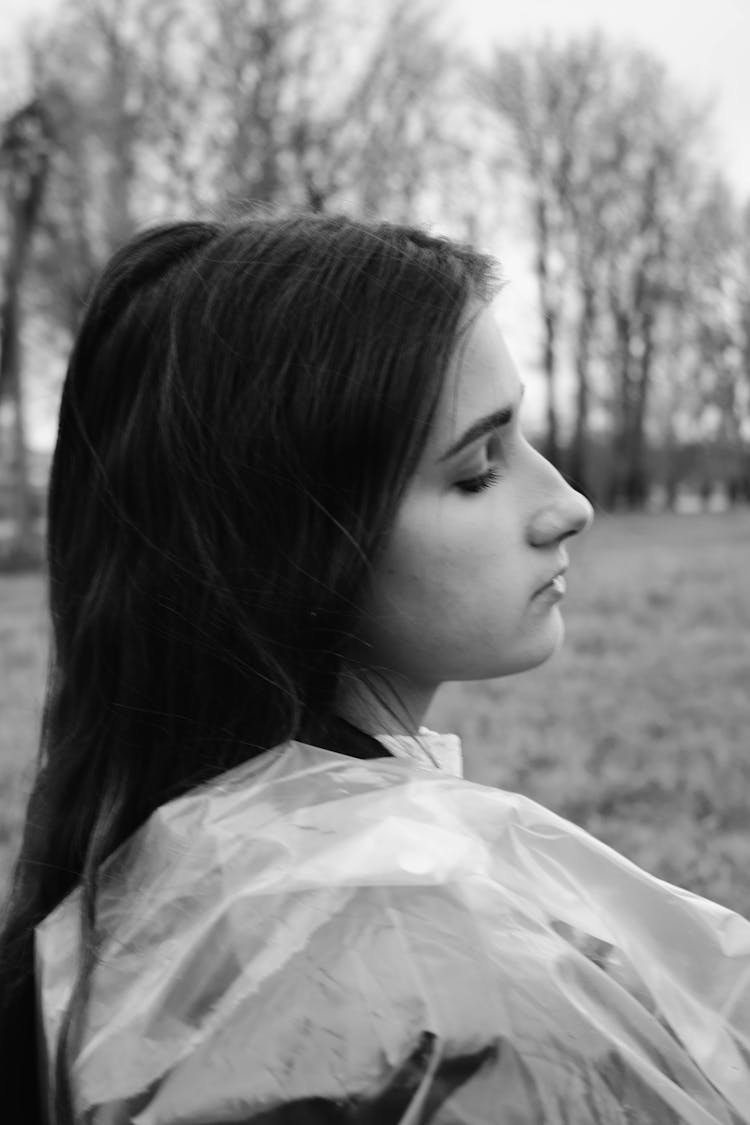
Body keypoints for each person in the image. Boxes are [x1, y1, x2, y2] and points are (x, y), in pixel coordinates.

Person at [1, 214, 749, 1125]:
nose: (568, 504)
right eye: (478, 468)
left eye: (526, 439)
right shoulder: (404, 974)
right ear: (293, 540)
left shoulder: (128, 903)